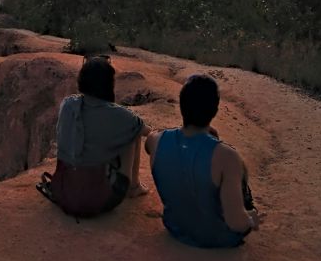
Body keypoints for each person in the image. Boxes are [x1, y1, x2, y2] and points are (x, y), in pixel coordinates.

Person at [146, 74, 261, 248]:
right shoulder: (228, 156)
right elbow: (236, 223)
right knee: (238, 177)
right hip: (219, 238)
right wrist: (251, 218)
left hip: (175, 228)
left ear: (182, 106)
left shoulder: (155, 141)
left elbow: (156, 141)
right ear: (215, 110)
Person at [37, 55, 150, 217]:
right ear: (108, 84)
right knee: (133, 131)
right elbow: (146, 131)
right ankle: (134, 187)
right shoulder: (119, 115)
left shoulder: (68, 104)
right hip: (100, 200)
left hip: (64, 192)